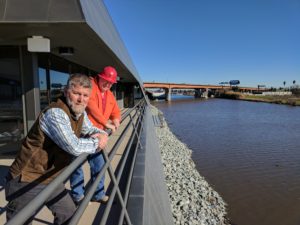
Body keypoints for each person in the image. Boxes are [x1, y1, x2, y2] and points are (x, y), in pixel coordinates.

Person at [5, 74, 108, 225]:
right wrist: (98, 143)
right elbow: (74, 147)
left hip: (51, 177)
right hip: (27, 179)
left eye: (85, 95)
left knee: (68, 213)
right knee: (21, 221)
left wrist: (102, 134)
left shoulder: (79, 113)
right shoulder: (55, 113)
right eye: (77, 93)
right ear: (67, 92)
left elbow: (90, 128)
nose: (81, 99)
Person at [70, 66, 121, 204]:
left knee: (99, 165)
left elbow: (115, 110)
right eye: (106, 81)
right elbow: (92, 108)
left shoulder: (109, 93)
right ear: (100, 77)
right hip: (82, 133)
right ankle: (77, 195)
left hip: (98, 135)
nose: (108, 84)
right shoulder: (91, 86)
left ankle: (97, 194)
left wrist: (116, 120)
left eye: (111, 83)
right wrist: (107, 123)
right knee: (77, 165)